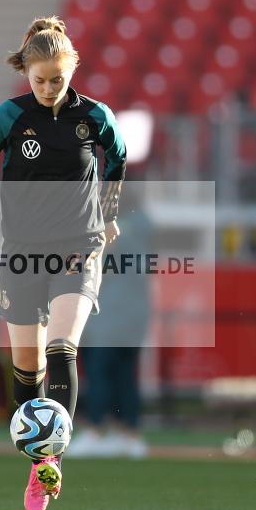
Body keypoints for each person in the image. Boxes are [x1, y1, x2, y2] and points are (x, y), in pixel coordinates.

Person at [0, 16, 126, 510]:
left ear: (72, 68)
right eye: (40, 80)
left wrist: (110, 216)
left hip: (79, 245)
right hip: (22, 252)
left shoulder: (95, 116)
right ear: (26, 73)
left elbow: (117, 161)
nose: (50, 88)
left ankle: (52, 459)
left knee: (61, 345)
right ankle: (37, 461)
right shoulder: (9, 117)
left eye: (58, 78)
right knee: (27, 368)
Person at [69, 196, 152, 460]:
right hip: (132, 315)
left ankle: (96, 429)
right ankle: (127, 433)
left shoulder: (113, 228)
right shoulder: (142, 224)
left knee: (100, 371)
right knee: (124, 374)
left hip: (111, 314)